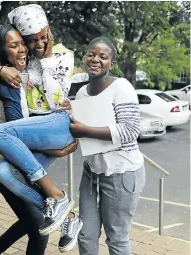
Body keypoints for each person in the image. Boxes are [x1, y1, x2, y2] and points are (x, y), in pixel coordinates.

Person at [0, 4, 83, 253]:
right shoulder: (18, 64)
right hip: (28, 139)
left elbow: (57, 102)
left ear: (49, 31)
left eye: (43, 37)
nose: (37, 44)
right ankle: (67, 215)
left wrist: (46, 60)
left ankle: (59, 199)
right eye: (31, 40)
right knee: (5, 175)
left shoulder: (61, 56)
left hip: (53, 126)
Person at [63, 37, 145, 255]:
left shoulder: (122, 87)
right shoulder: (81, 93)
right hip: (92, 172)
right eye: (91, 54)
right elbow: (81, 130)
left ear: (112, 63)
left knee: (117, 239)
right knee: (85, 234)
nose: (95, 59)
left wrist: (84, 130)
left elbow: (130, 131)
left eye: (103, 56)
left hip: (122, 173)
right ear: (84, 57)